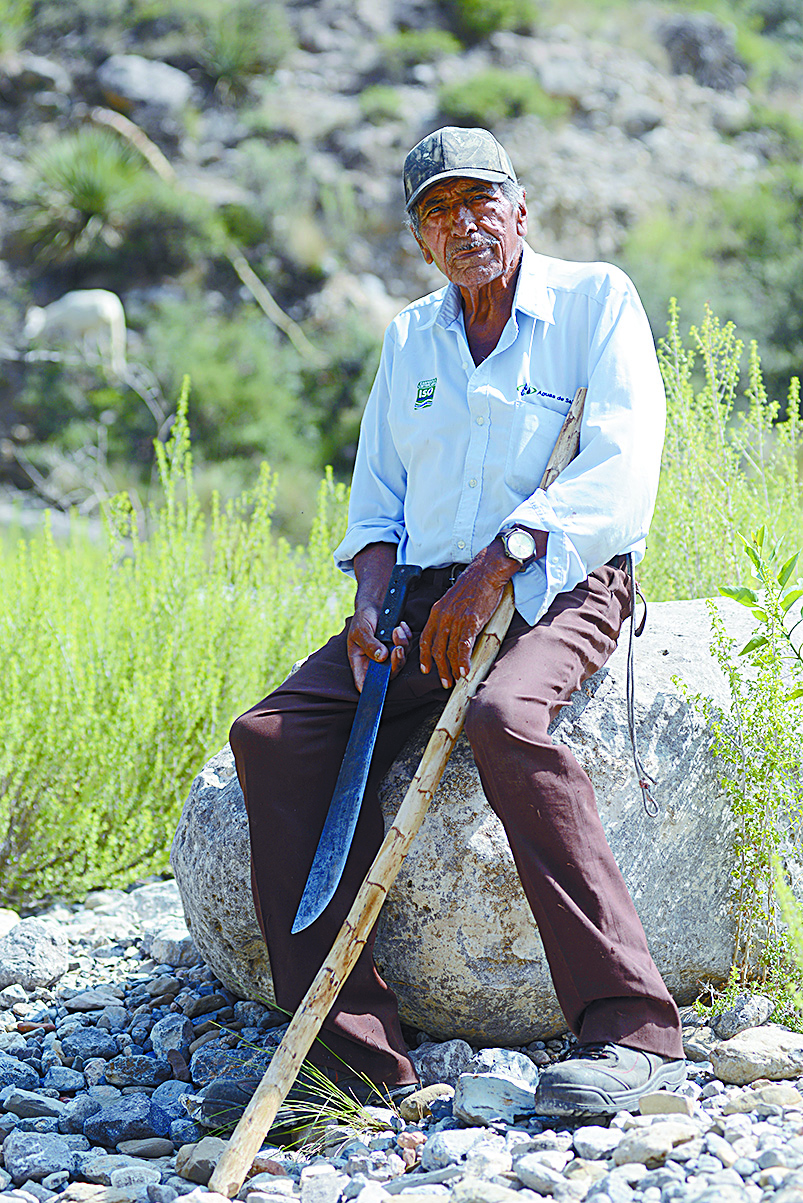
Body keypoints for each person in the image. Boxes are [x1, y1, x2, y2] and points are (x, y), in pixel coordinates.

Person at [227, 126, 686, 1119]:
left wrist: (501, 561)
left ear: (519, 209)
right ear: (419, 239)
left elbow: (620, 472)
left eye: (481, 200)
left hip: (560, 577)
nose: (463, 223)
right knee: (274, 735)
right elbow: (378, 503)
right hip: (426, 597)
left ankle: (631, 1031)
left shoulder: (593, 301)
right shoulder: (410, 338)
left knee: (503, 718)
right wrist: (370, 605)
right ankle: (350, 1057)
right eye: (438, 210)